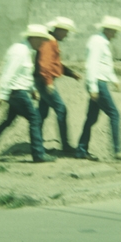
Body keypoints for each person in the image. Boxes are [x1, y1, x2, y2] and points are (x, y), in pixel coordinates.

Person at [0, 25, 57, 164]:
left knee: (8, 121)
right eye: (41, 40)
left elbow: (23, 74)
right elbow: (8, 73)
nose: (43, 43)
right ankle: (38, 154)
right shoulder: (19, 51)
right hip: (16, 92)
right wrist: (2, 94)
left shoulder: (26, 50)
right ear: (33, 38)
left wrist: (32, 89)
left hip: (19, 90)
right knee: (35, 119)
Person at [75, 15, 121, 160]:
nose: (115, 35)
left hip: (99, 82)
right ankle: (117, 150)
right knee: (114, 114)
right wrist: (93, 88)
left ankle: (81, 150)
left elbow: (105, 65)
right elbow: (92, 65)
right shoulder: (98, 42)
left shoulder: (102, 41)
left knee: (91, 118)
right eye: (114, 32)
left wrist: (114, 79)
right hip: (97, 83)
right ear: (108, 30)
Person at [35, 16, 82, 155]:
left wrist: (71, 73)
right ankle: (66, 146)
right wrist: (49, 82)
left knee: (41, 114)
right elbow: (44, 64)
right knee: (61, 109)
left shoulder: (50, 40)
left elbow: (55, 64)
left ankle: (36, 144)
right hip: (45, 81)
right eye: (66, 32)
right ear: (59, 30)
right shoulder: (49, 41)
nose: (66, 35)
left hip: (42, 80)